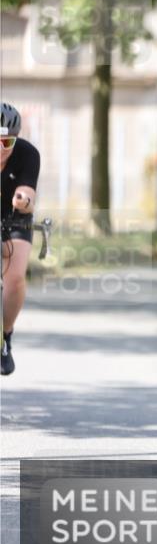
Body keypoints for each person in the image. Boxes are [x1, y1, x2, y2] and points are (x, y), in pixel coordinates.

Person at [1, 102, 40, 376]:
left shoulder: (28, 154)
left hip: (14, 216)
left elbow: (28, 192)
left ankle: (5, 335)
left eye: (7, 141)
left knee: (15, 277)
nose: (1, 147)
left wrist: (23, 199)